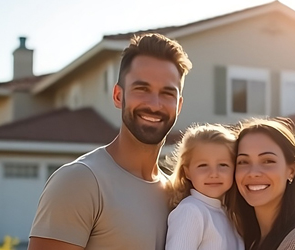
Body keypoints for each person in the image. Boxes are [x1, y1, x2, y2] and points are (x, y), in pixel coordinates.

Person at [28, 33, 192, 250]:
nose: (154, 104)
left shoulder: (177, 196)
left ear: (179, 106)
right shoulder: (79, 182)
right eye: (142, 89)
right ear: (118, 96)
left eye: (167, 93)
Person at [227, 117, 295, 250]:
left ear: (291, 171)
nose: (253, 172)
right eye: (243, 162)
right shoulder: (243, 239)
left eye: (267, 161)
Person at [165, 123, 244, 250]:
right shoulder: (190, 211)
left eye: (223, 165)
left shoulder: (229, 214)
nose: (213, 174)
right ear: (187, 172)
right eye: (203, 165)